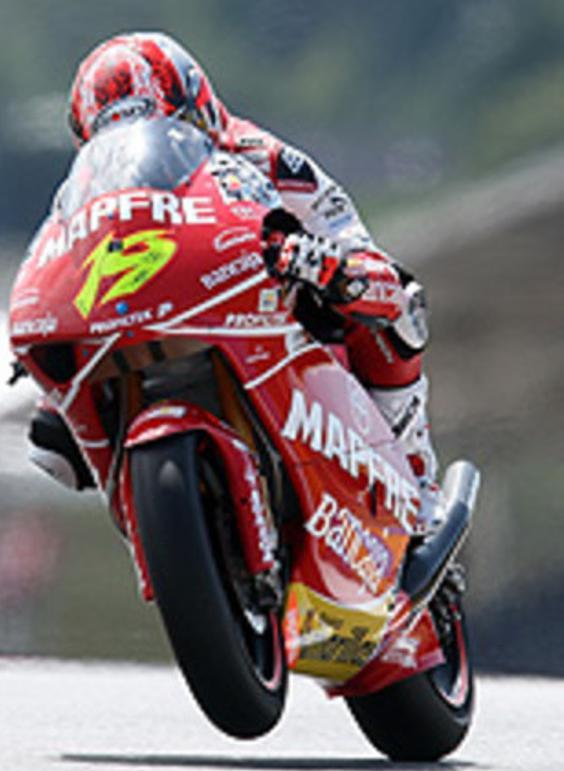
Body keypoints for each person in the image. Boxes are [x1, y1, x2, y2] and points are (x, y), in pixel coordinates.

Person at [29, 32, 441, 527]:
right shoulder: (83, 194)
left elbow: (349, 237)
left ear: (197, 109)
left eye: (165, 127)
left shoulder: (264, 156)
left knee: (391, 305)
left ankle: (418, 478)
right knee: (51, 443)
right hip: (146, 315)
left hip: (265, 302)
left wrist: (327, 263)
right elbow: (52, 265)